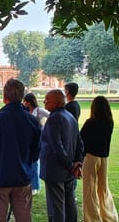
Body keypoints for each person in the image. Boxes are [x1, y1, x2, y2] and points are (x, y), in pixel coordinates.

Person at [0, 79, 41, 222]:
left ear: (4, 96)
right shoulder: (31, 121)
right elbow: (36, 152)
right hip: (22, 177)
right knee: (24, 217)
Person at [40, 89, 84, 222]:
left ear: (55, 102)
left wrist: (71, 165)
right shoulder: (70, 116)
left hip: (56, 170)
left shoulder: (54, 118)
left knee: (57, 206)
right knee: (69, 203)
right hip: (68, 169)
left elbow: (56, 147)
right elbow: (79, 143)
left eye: (47, 99)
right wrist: (77, 163)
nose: (44, 101)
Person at [80, 96, 119, 222]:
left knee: (89, 190)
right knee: (103, 188)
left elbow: (81, 141)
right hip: (104, 158)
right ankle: (109, 216)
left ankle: (92, 219)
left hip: (91, 157)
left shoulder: (90, 123)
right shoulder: (109, 122)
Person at [23, 93, 49, 196]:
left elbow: (51, 116)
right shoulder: (26, 111)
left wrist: (45, 128)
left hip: (39, 138)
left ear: (29, 102)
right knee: (31, 161)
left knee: (35, 163)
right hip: (29, 139)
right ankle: (31, 184)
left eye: (25, 101)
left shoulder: (39, 111)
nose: (24, 103)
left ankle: (35, 186)